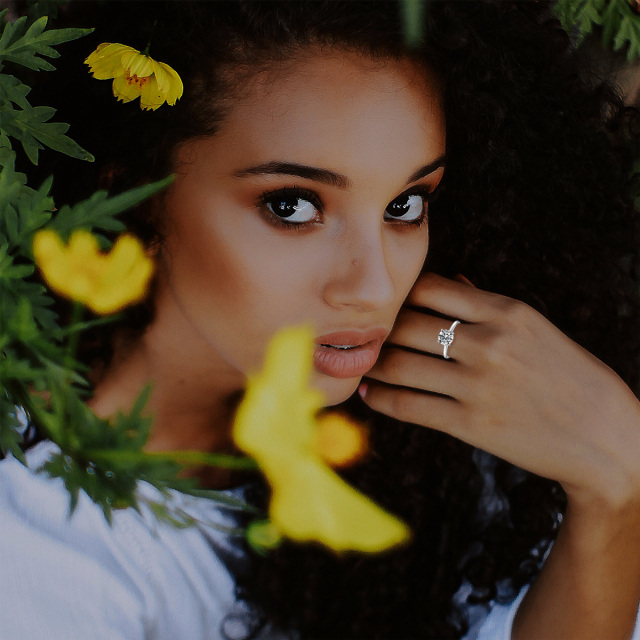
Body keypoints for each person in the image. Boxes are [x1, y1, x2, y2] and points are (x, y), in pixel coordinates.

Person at [1, 1, 640, 638]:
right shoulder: (44, 554)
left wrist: (615, 485)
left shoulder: (445, 427)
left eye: (406, 205)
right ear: (134, 196)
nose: (374, 286)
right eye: (292, 205)